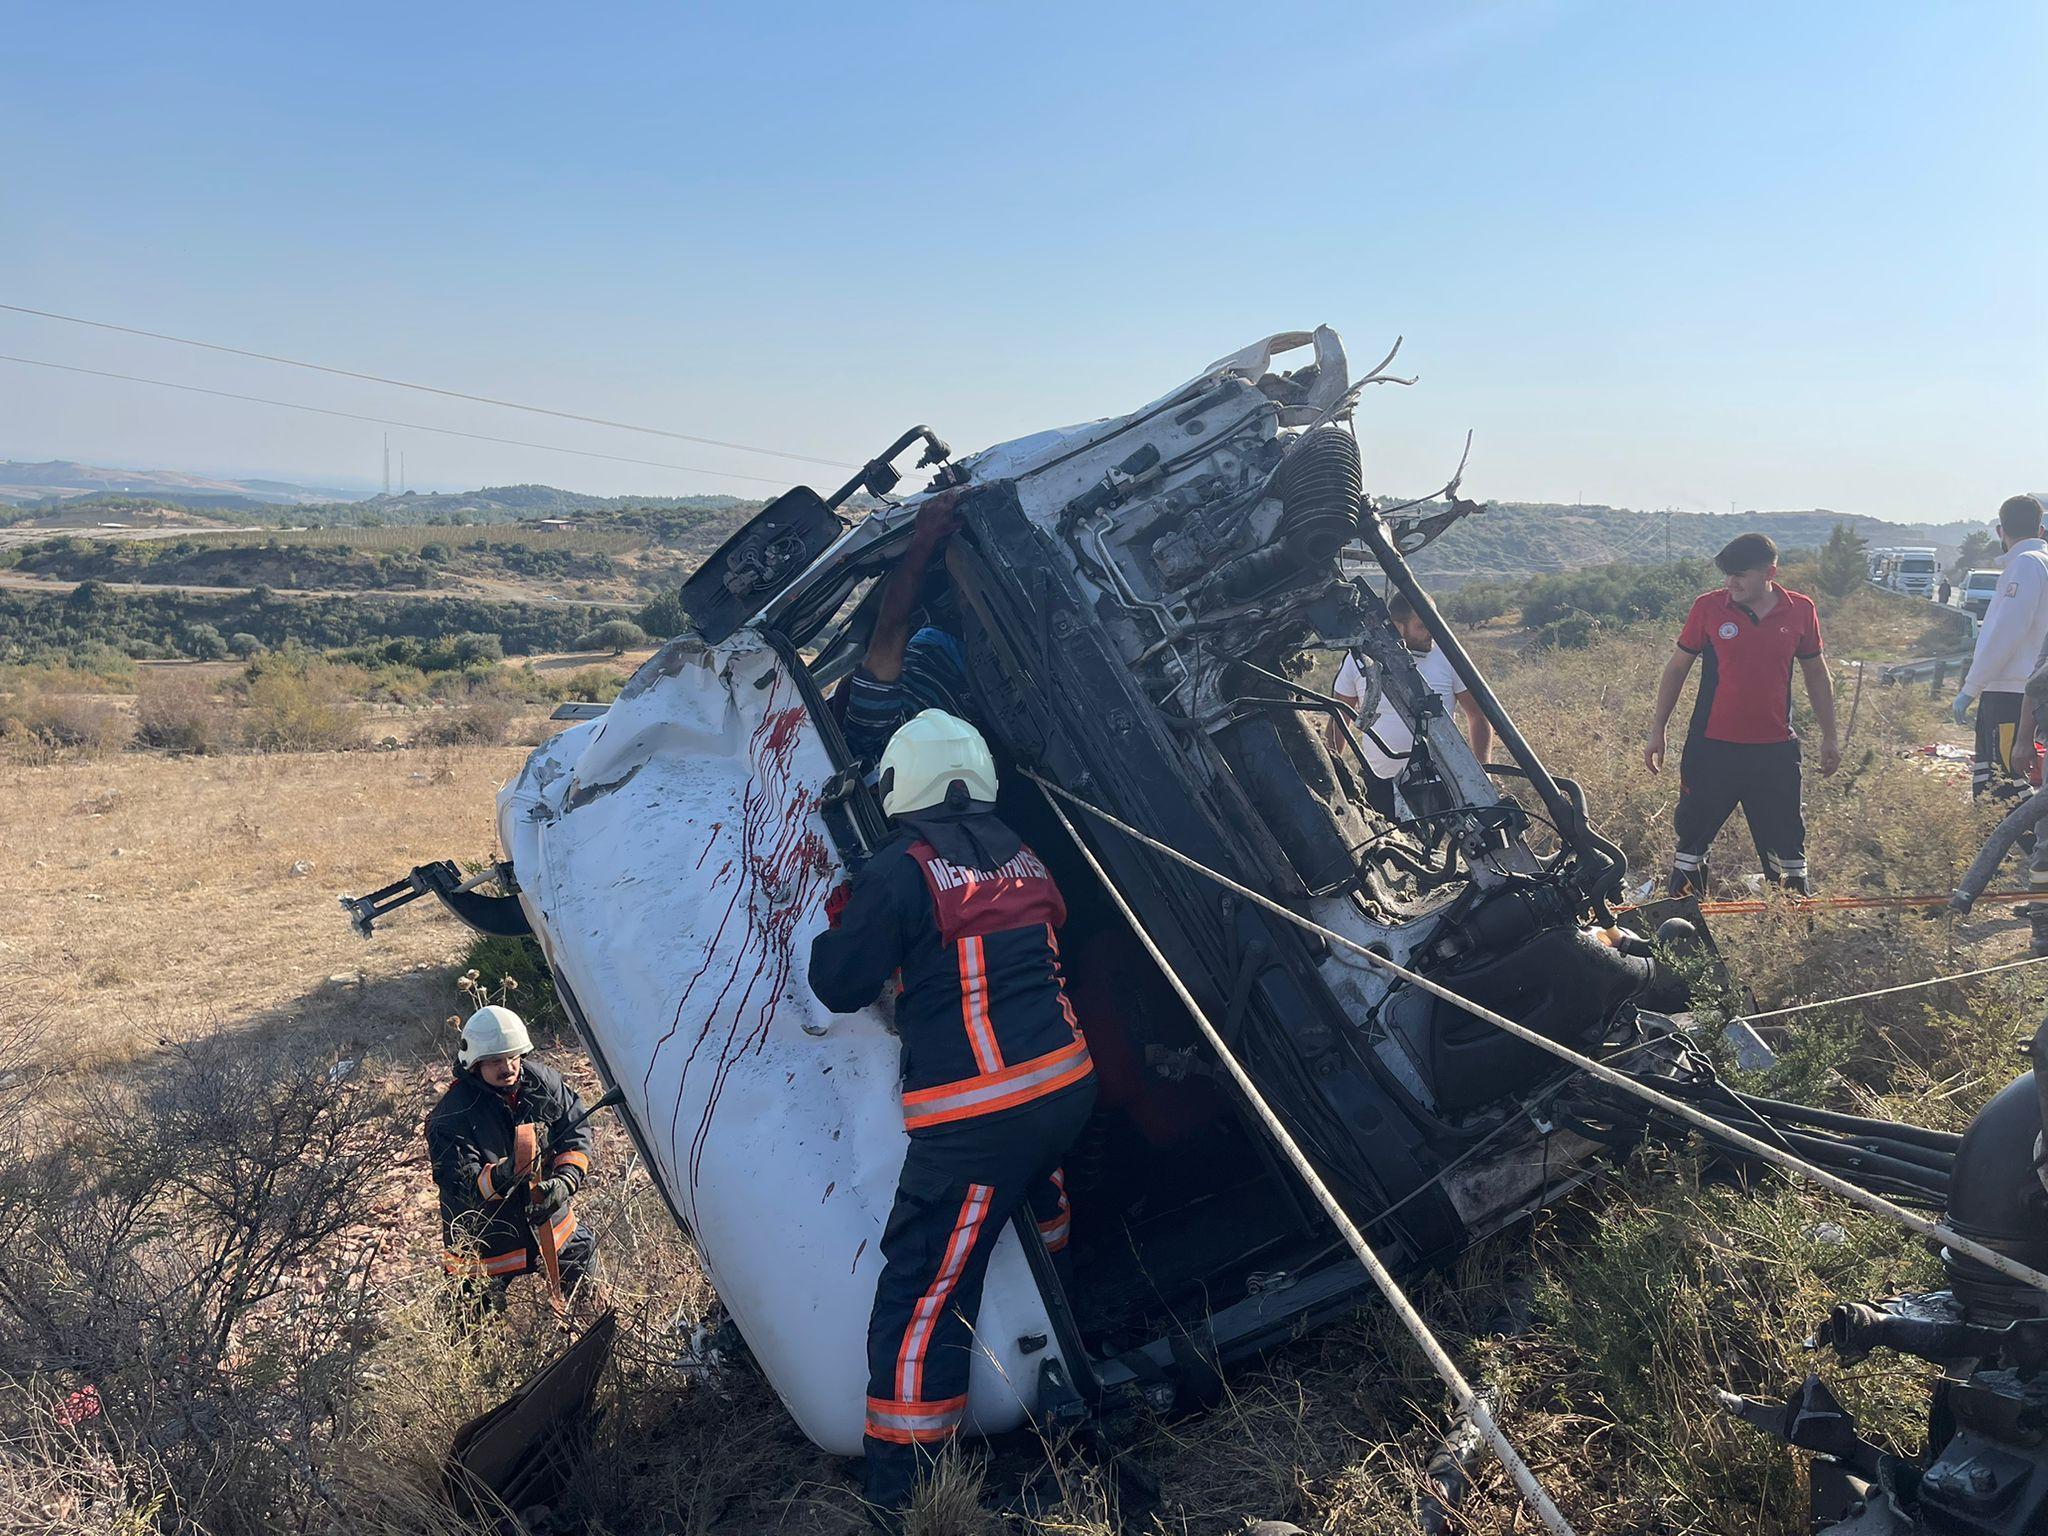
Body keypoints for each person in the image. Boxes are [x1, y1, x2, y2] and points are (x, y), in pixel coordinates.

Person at [807, 710, 1095, 1523]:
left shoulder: (899, 874)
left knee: (923, 1292)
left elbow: (838, 983)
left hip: (979, 1116)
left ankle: (909, 1490)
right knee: (1043, 1212)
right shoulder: (1023, 852)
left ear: (901, 786)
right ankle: (1067, 1346)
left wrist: (849, 913)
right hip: (1064, 1089)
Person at [1643, 533, 1839, 895]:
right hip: (1711, 749)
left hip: (1775, 752)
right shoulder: (1708, 607)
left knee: (1786, 847)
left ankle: (1789, 918)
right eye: (1727, 575)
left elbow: (1816, 672)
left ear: (1770, 573)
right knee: (1692, 844)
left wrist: (1830, 735)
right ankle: (1685, 919)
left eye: (1740, 575)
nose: (1730, 583)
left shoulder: (1800, 610)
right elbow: (1677, 668)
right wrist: (1659, 729)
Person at [426, 1005, 595, 1303]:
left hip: (547, 1222)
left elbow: (575, 1132)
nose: (507, 1068)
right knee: (471, 1318)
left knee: (582, 1268)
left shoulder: (542, 1084)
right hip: (486, 1244)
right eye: (495, 1061)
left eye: (513, 1056)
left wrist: (565, 1181)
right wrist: (507, 1174)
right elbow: (462, 1185)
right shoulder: (451, 1116)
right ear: (474, 1063)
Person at [1325, 590, 1492, 817]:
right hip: (1379, 786)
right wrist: (1333, 777)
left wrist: (1482, 776)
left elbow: (1478, 716)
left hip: (1444, 785)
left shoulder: (1449, 657)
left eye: (1434, 622)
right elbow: (1339, 718)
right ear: (1397, 626)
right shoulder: (1359, 661)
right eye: (1422, 626)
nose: (1431, 632)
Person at [842, 489, 975, 764]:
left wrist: (923, 540)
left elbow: (891, 628)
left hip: (950, 644)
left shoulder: (868, 736)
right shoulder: (937, 777)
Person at [1953, 495, 2048, 799]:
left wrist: (1971, 687)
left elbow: (2006, 631)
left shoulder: (2025, 565)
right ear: (2041, 529)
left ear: (2000, 531)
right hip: (2032, 694)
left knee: (2000, 787)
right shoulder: (2040, 563)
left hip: (2010, 693)